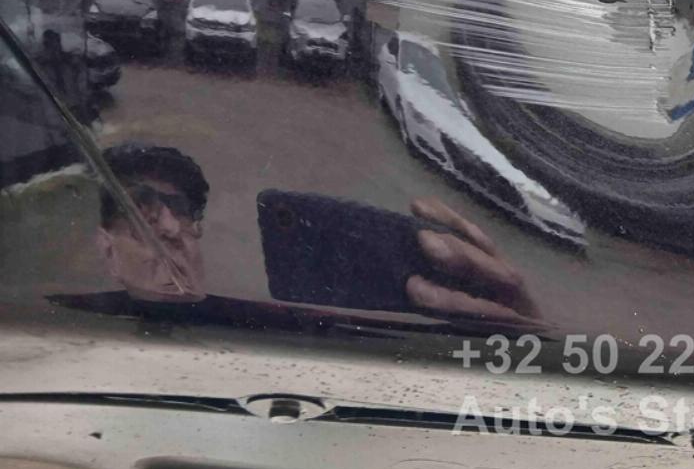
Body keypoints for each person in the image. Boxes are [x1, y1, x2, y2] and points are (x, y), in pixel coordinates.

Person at [81, 142, 540, 327]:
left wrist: (524, 338)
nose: (169, 228)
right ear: (107, 249)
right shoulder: (71, 339)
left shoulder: (275, 330)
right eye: (143, 214)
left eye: (182, 213)